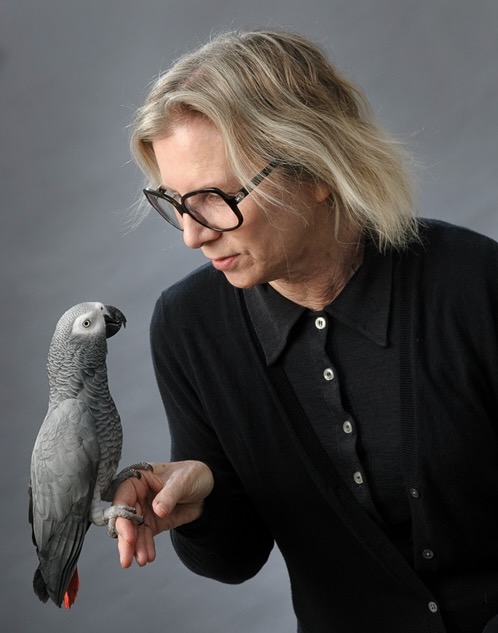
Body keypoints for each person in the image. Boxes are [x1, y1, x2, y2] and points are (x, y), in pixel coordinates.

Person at [112, 29, 498, 633]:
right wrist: (201, 502)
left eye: (215, 197)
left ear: (317, 169)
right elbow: (234, 559)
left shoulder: (476, 283)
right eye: (178, 203)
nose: (194, 235)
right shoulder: (189, 329)